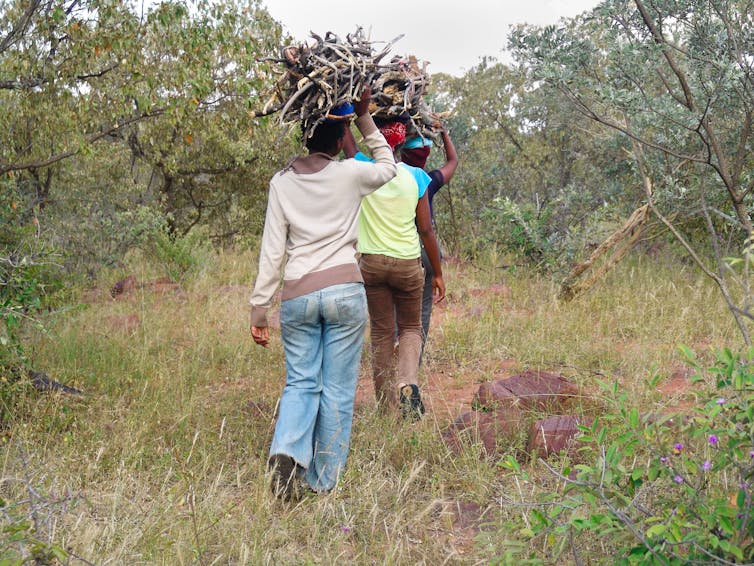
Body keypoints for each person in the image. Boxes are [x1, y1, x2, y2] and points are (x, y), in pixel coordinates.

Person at [249, 86, 397, 500]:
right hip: (345, 292)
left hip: (297, 294)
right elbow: (388, 168)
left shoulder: (281, 182)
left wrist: (259, 308)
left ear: (304, 134)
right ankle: (321, 483)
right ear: (337, 139)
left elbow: (272, 251)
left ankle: (287, 451)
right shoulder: (350, 172)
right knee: (336, 390)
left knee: (301, 383)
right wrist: (365, 118)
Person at [343, 119, 446, 421]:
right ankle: (407, 382)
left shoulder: (363, 169)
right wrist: (437, 273)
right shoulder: (416, 176)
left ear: (375, 143)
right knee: (412, 328)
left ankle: (386, 411)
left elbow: (348, 144)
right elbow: (426, 230)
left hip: (372, 265)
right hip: (407, 264)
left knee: (382, 335)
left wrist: (351, 112)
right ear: (401, 146)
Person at [401, 126, 458, 363]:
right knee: (422, 309)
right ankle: (413, 361)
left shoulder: (385, 176)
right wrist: (445, 133)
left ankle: (395, 352)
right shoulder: (429, 180)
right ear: (425, 156)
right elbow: (453, 161)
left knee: (395, 308)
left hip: (393, 251)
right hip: (422, 255)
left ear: (402, 153)